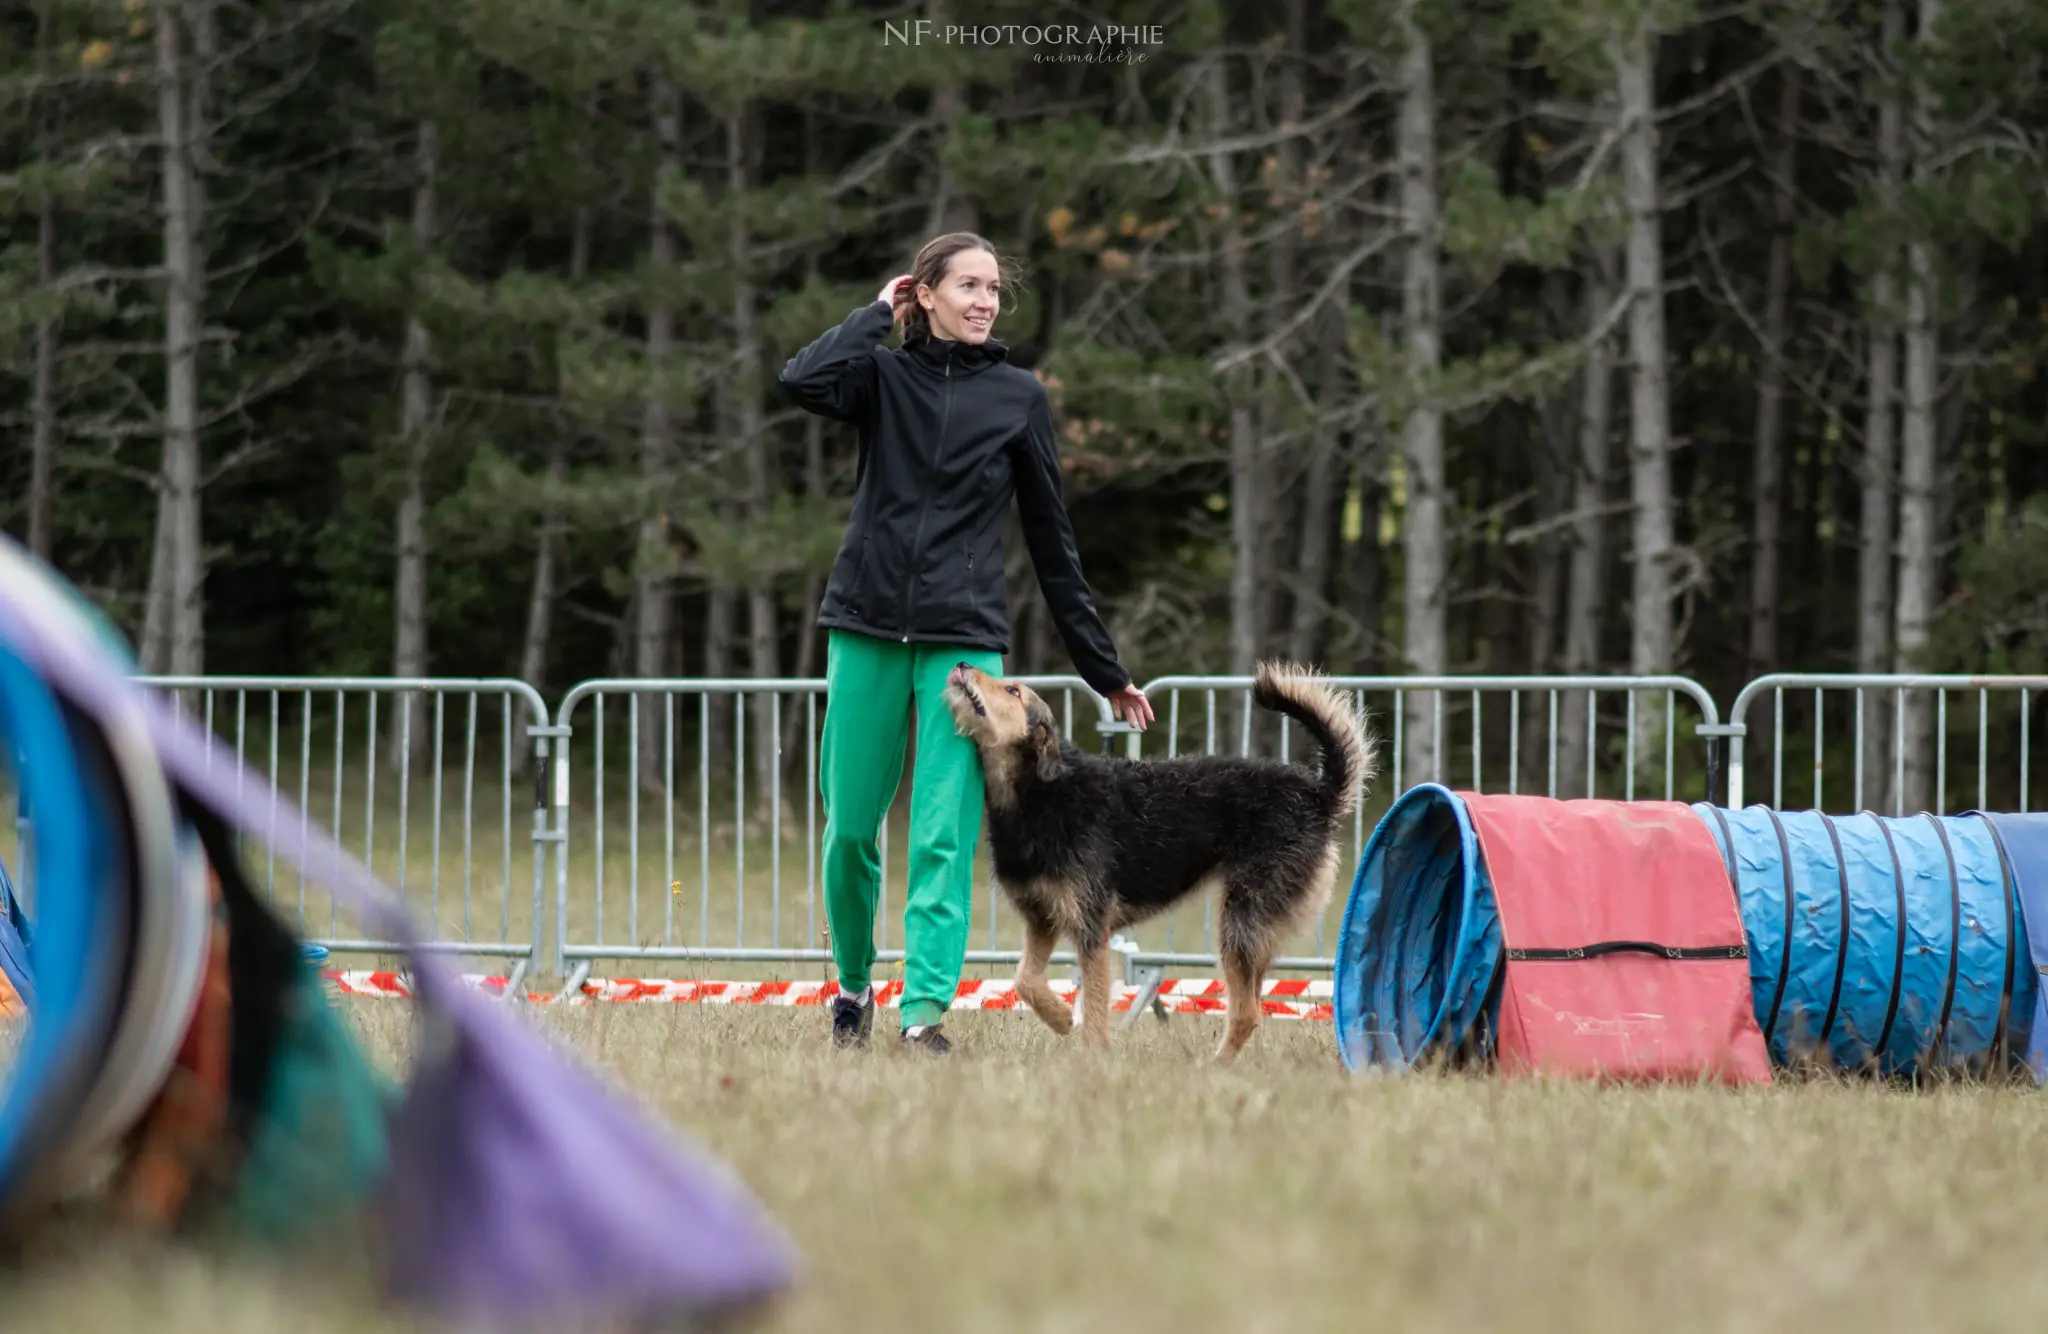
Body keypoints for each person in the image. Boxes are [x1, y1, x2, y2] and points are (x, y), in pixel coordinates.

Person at [778, 232, 1154, 1056]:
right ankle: (851, 986)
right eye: (969, 286)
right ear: (929, 293)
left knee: (942, 835)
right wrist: (878, 313)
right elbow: (801, 379)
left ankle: (922, 1015)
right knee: (849, 830)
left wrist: (1104, 670)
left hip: (964, 646)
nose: (985, 300)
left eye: (994, 288)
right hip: (867, 625)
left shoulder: (1018, 397)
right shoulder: (879, 375)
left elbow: (1054, 544)